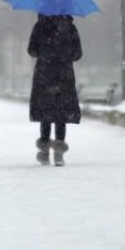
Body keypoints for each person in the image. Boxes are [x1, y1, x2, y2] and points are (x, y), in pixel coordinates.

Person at [27, 14, 82, 166]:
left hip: (44, 74)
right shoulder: (69, 27)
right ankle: (59, 153)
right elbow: (78, 54)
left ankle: (44, 152)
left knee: (46, 112)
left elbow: (31, 51)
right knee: (61, 113)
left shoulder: (40, 26)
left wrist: (45, 52)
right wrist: (64, 55)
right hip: (64, 74)